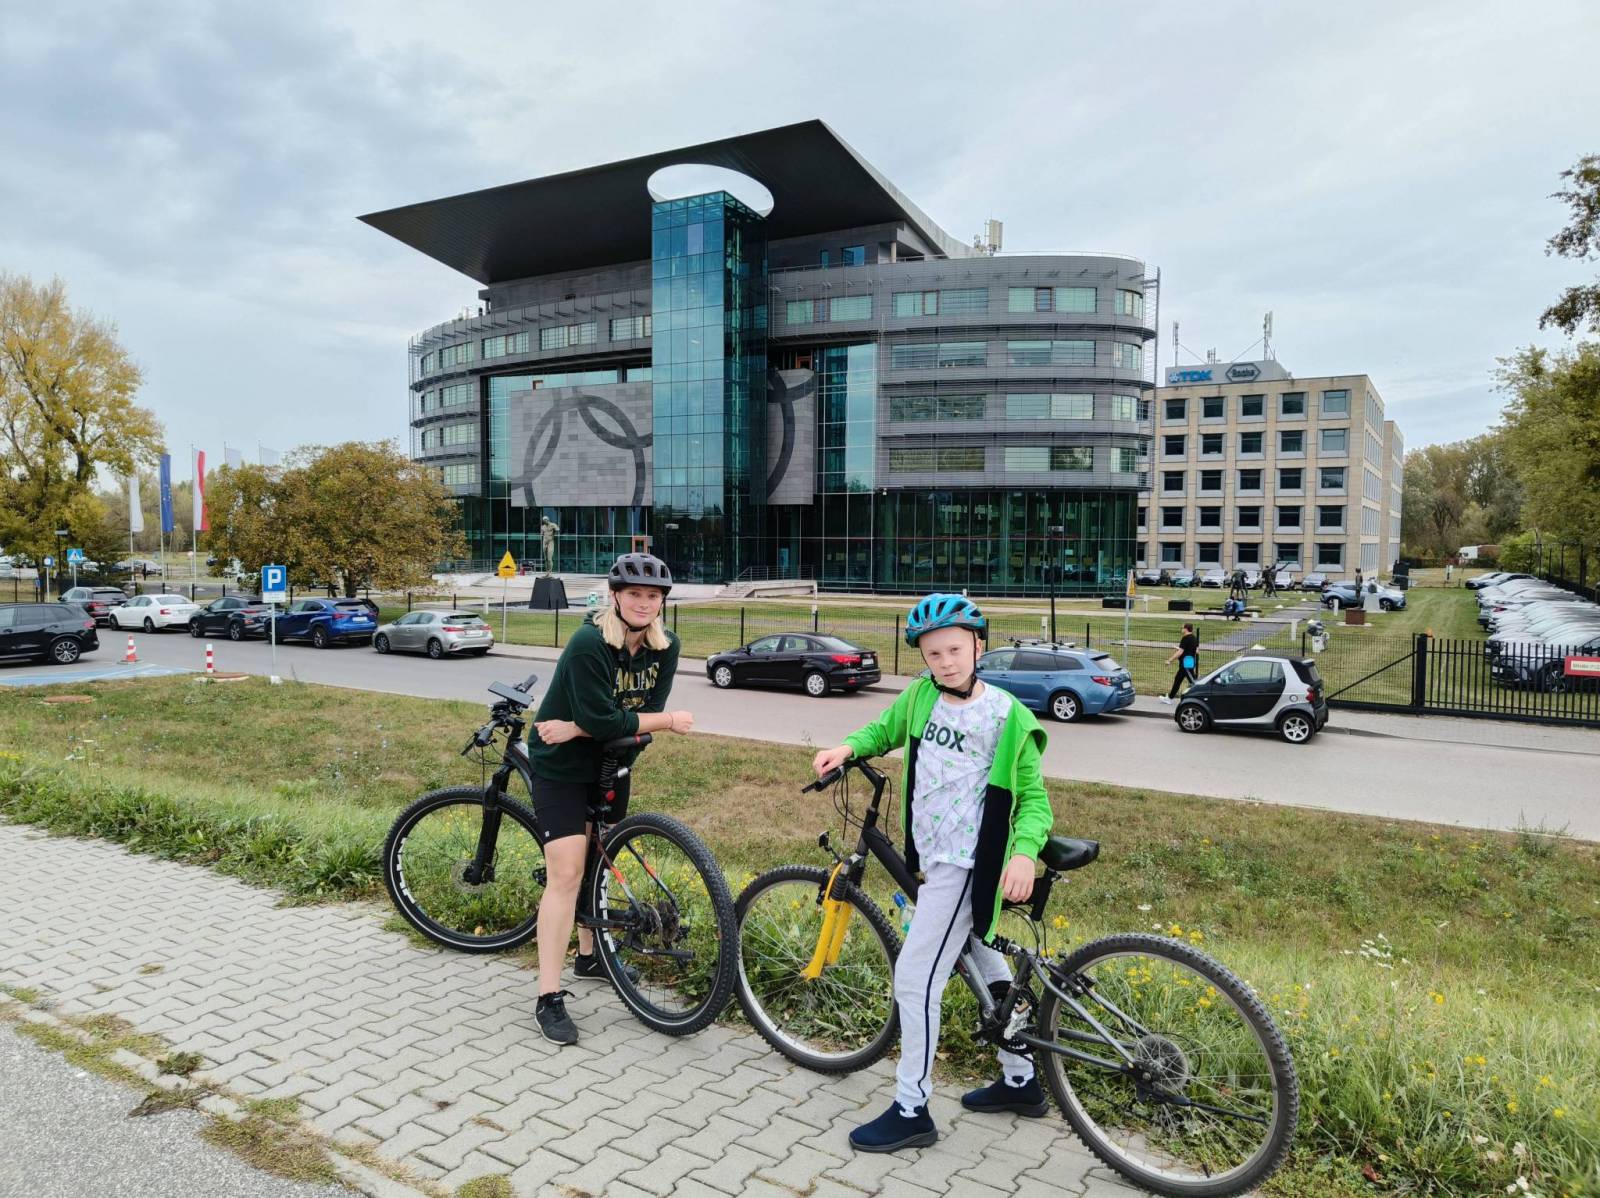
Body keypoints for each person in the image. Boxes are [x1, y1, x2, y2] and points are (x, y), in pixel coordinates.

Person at [810, 594, 1053, 1154]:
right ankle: (1021, 1080)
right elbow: (885, 730)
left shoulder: (1007, 717)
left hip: (968, 864)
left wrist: (1023, 853)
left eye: (954, 649)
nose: (945, 662)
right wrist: (847, 747)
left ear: (978, 646)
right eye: (933, 653)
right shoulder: (921, 696)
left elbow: (1034, 799)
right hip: (935, 857)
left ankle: (911, 1109)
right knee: (982, 954)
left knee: (915, 979)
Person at [524, 551, 692, 1046]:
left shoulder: (666, 647)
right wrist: (667, 722)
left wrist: (583, 727)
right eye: (634, 593)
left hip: (612, 761)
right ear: (615, 596)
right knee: (566, 873)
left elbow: (633, 720)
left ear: (661, 602)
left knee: (598, 862)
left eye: (652, 596)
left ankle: (590, 956)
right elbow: (630, 718)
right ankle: (548, 996)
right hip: (560, 766)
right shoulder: (588, 643)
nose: (643, 603)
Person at [1161, 622, 1200, 703]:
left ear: (1186, 629)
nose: (1181, 629)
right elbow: (1196, 651)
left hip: (1185, 664)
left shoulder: (1185, 638)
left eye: (1182, 628)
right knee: (1179, 680)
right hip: (1190, 662)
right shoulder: (1194, 638)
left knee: (1192, 682)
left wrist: (1170, 660)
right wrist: (1180, 649)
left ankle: (1199, 697)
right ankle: (1170, 698)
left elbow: (1180, 652)